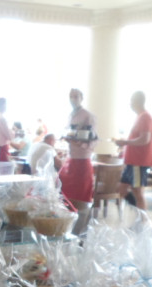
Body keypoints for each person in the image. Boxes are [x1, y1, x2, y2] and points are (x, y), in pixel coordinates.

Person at [59, 88, 97, 235]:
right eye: (71, 96)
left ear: (81, 97)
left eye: (76, 96)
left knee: (81, 199)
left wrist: (79, 143)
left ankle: (79, 233)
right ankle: (66, 228)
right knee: (64, 193)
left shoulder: (88, 116)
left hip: (83, 161)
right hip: (71, 160)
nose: (73, 99)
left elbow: (93, 140)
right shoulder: (70, 115)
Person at [115, 91, 152, 211]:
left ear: (137, 102)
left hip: (138, 161)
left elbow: (144, 139)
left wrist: (125, 142)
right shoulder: (139, 117)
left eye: (132, 101)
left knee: (137, 192)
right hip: (132, 161)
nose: (130, 104)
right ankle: (137, 212)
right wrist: (125, 147)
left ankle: (142, 217)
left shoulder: (145, 117)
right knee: (121, 189)